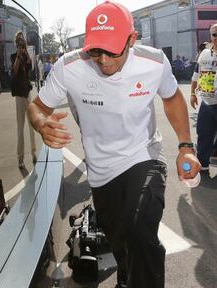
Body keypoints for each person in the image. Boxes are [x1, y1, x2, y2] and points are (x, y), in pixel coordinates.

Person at [28, 2, 201, 288]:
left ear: (131, 40)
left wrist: (186, 145)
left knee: (139, 232)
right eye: (96, 50)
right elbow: (37, 107)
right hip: (100, 171)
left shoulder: (153, 62)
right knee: (120, 242)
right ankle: (126, 276)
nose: (104, 60)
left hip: (143, 156)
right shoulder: (70, 66)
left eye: (113, 50)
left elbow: (171, 98)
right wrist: (40, 124)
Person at [190, 23, 217, 173]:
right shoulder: (205, 54)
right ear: (210, 36)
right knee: (204, 133)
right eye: (214, 34)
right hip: (207, 103)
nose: (216, 37)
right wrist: (192, 94)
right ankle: (203, 165)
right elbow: (196, 76)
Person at [11, 31, 37, 169]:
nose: (21, 44)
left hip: (27, 95)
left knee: (32, 125)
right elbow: (14, 71)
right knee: (20, 128)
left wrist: (25, 53)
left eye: (22, 42)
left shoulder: (26, 55)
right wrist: (18, 56)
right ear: (16, 44)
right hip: (19, 97)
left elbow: (30, 66)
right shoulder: (13, 56)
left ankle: (33, 153)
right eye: (19, 42)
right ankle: (20, 158)